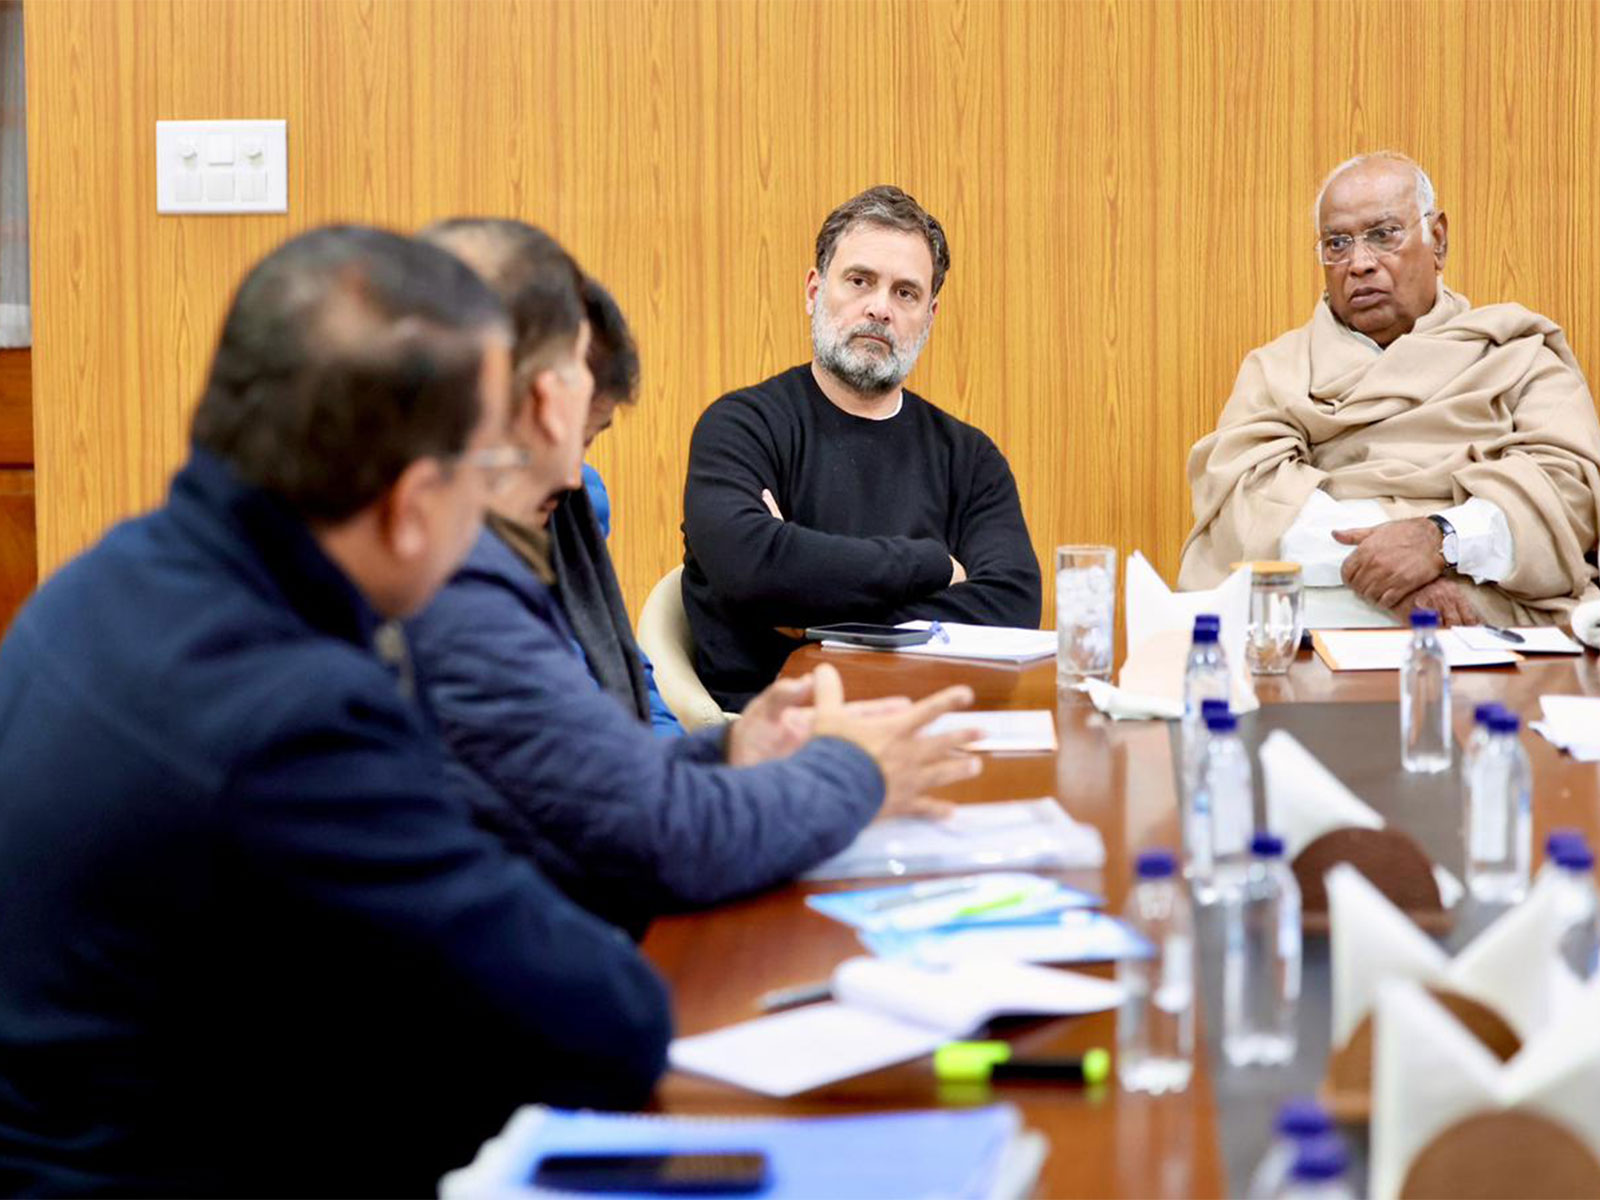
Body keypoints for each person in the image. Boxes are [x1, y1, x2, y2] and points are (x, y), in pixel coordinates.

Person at [0, 226, 673, 1196]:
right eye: (488, 469)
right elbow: (606, 1022)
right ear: (412, 505)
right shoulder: (294, 715)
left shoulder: (102, 580)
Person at [409, 218, 981, 933]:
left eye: (586, 439)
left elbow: (624, 725)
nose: (573, 474)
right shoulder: (451, 587)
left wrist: (730, 748)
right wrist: (852, 772)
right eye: (557, 425)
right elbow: (650, 833)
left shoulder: (557, 513)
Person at [1181, 152, 1600, 627]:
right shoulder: (1277, 371)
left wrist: (1441, 540)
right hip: (1316, 622)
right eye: (1337, 243)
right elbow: (1246, 508)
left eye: (1383, 235)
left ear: (1437, 240)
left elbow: (1568, 491)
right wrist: (1393, 571)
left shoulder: (1518, 355)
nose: (1359, 263)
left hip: (1484, 622)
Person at [681, 185, 1042, 709]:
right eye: (860, 281)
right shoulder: (741, 428)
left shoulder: (970, 458)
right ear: (814, 291)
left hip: (929, 722)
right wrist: (935, 566)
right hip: (780, 732)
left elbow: (1012, 605)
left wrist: (811, 617)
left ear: (929, 316)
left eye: (905, 293)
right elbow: (753, 568)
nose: (880, 309)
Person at [551, 277, 682, 735]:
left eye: (587, 439)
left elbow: (627, 669)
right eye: (555, 436)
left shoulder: (579, 499)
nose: (570, 473)